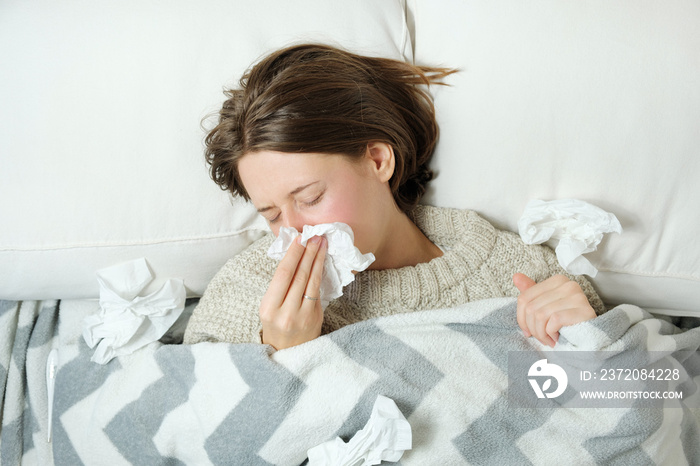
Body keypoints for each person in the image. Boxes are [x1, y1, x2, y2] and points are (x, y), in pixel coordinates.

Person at [183, 44, 605, 350]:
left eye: (309, 197)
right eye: (272, 214)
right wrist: (280, 348)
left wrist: (589, 342)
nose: (293, 231)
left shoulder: (520, 274)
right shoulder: (245, 291)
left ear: (378, 160)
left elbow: (615, 411)